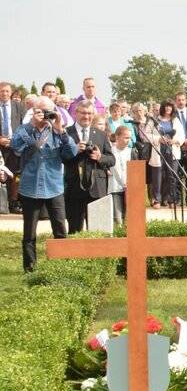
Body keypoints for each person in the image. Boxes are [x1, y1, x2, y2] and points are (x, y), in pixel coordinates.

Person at [10, 96, 77, 271]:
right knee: (29, 234)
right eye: (42, 111)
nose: (46, 115)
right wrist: (32, 125)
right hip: (30, 188)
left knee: (61, 231)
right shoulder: (25, 129)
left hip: (54, 187)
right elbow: (15, 148)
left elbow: (72, 153)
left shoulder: (58, 131)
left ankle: (61, 268)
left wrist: (61, 130)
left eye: (49, 111)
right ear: (34, 111)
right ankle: (30, 269)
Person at [63, 100, 115, 233]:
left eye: (89, 113)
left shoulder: (101, 134)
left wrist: (100, 157)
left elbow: (111, 159)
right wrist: (74, 150)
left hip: (97, 188)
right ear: (76, 113)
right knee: (75, 229)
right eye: (83, 113)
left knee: (99, 230)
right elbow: (60, 157)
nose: (86, 117)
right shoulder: (66, 133)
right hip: (75, 188)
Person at [151, 99, 185, 208]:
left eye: (170, 106)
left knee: (172, 176)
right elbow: (146, 135)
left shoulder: (176, 121)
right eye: (166, 106)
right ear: (162, 108)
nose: (168, 108)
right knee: (158, 176)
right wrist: (158, 139)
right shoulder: (154, 120)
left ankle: (172, 200)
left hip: (172, 151)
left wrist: (176, 141)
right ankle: (157, 200)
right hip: (158, 151)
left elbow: (182, 135)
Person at [0, 81, 26, 214]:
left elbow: (24, 126)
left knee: (16, 175)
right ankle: (2, 204)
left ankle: (14, 202)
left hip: (15, 147)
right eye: (2, 91)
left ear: (11, 93)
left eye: (6, 91)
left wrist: (14, 140)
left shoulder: (19, 107)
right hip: (1, 148)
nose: (4, 93)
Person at [108, 125, 136, 225]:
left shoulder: (131, 152)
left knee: (127, 218)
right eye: (126, 137)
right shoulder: (110, 151)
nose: (128, 140)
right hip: (115, 187)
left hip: (128, 188)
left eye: (129, 138)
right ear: (117, 137)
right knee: (118, 218)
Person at [174, 91, 187, 206]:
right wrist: (182, 142)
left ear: (186, 101)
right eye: (179, 100)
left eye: (183, 100)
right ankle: (178, 199)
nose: (181, 102)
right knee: (177, 174)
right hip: (177, 147)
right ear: (175, 101)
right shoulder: (173, 114)